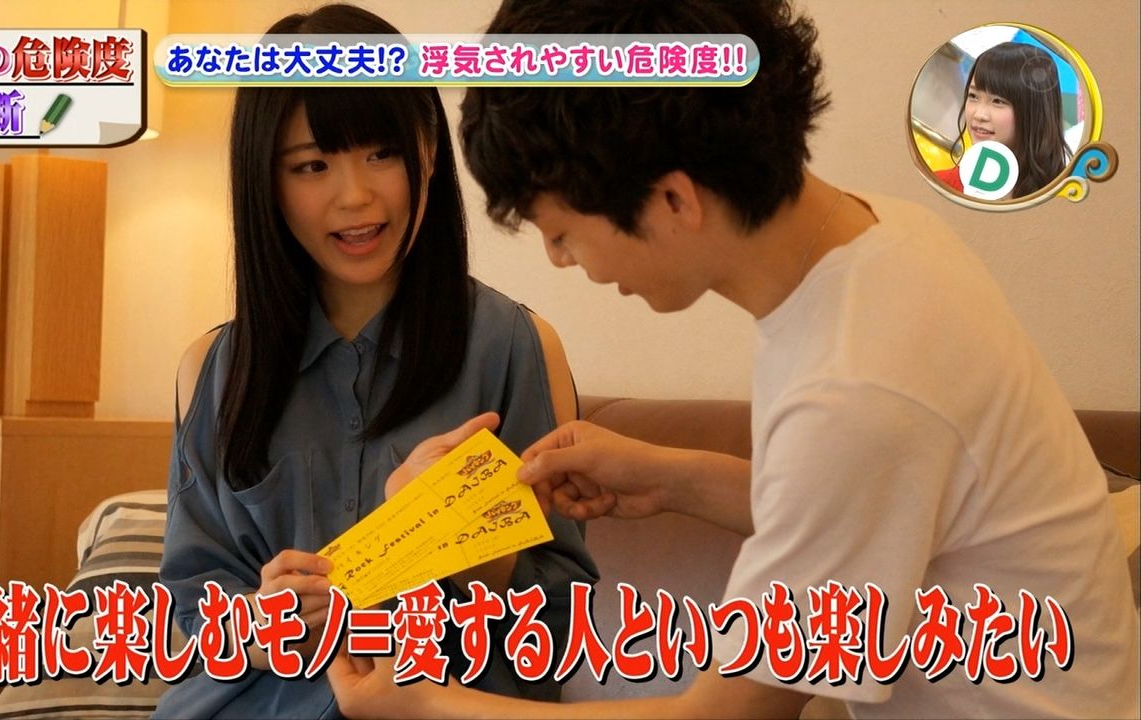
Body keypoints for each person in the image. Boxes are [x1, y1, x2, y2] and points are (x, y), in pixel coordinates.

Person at [327, 0, 1140, 718]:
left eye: (563, 232)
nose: (562, 261)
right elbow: (880, 508)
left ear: (673, 199)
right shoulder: (880, 242)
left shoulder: (853, 385)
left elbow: (726, 712)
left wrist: (425, 703)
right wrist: (671, 477)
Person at [156, 5, 596, 718]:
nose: (355, 196)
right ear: (266, 181)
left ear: (428, 150)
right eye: (312, 165)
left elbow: (562, 618)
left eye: (381, 154)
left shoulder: (515, 347)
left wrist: (479, 551)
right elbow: (188, 606)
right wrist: (258, 628)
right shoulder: (213, 367)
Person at [934, 41, 1069, 198]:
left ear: (1035, 112)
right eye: (973, 96)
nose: (979, 115)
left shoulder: (1066, 197)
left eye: (998, 101)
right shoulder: (940, 185)